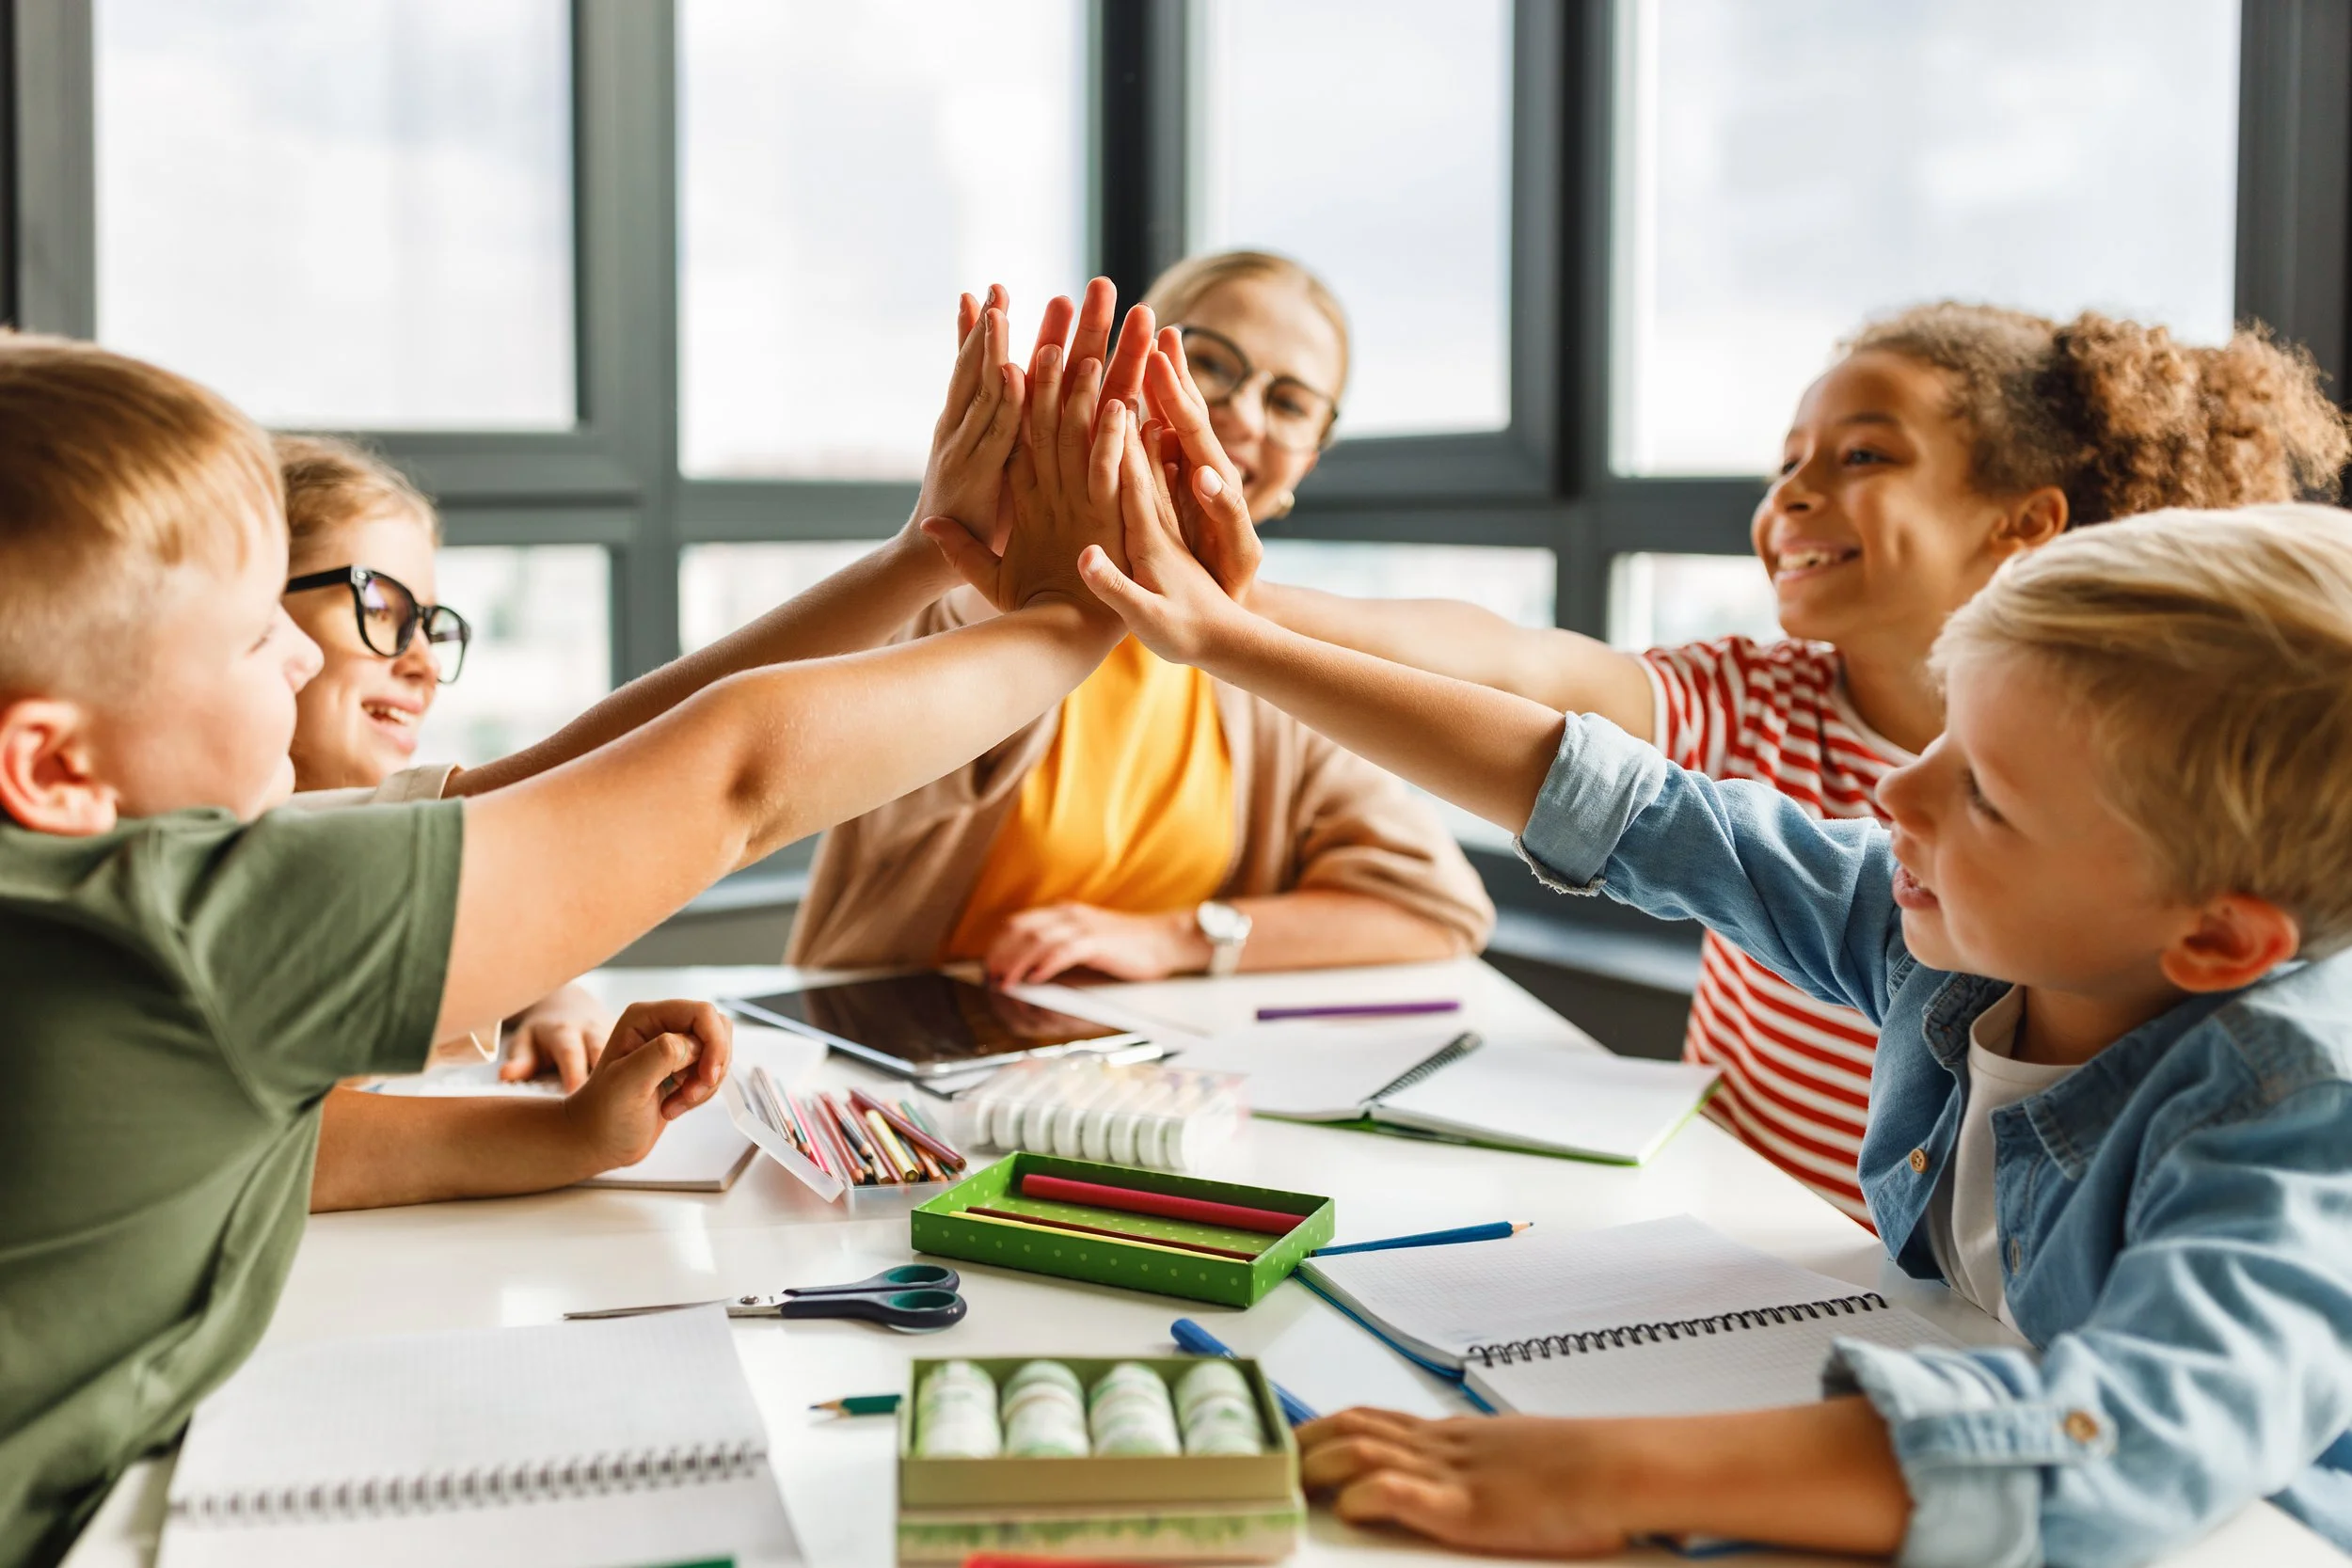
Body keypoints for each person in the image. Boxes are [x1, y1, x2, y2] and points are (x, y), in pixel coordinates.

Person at [1074, 423, 2352, 1562]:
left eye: (1986, 796)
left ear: (2221, 939)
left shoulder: (2293, 1111)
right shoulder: (1954, 931)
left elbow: (2131, 1438)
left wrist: (1599, 1469)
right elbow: (1621, 799)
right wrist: (1229, 641)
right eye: (1943, 734)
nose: (1897, 793)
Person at [0, 305, 1139, 1564]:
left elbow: (556, 777)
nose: (283, 650)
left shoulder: (70, 896)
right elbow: (729, 777)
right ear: (55, 762)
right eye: (245, 629)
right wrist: (1072, 617)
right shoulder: (185, 919)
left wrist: (925, 558)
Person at [1140, 303, 2349, 1222]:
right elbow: (1520, 676)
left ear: (2022, 523)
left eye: (1861, 457)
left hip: (1894, 1271)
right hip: (1735, 1228)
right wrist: (1235, 611)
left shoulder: (2232, 1047)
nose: (1791, 496)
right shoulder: (1750, 699)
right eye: (1786, 462)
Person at [791, 254, 1494, 985]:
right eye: (1211, 365)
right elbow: (793, 762)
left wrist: (1177, 939)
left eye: (1289, 404)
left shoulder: (1267, 672)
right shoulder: (973, 598)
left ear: (1307, 464)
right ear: (1130, 365)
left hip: (1129, 1081)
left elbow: (1441, 906)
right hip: (890, 1065)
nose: (1242, 416)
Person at [276, 434, 611, 1088]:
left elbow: (483, 938)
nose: (426, 663)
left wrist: (554, 998)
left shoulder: (374, 848)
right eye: (379, 606)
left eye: (432, 625)